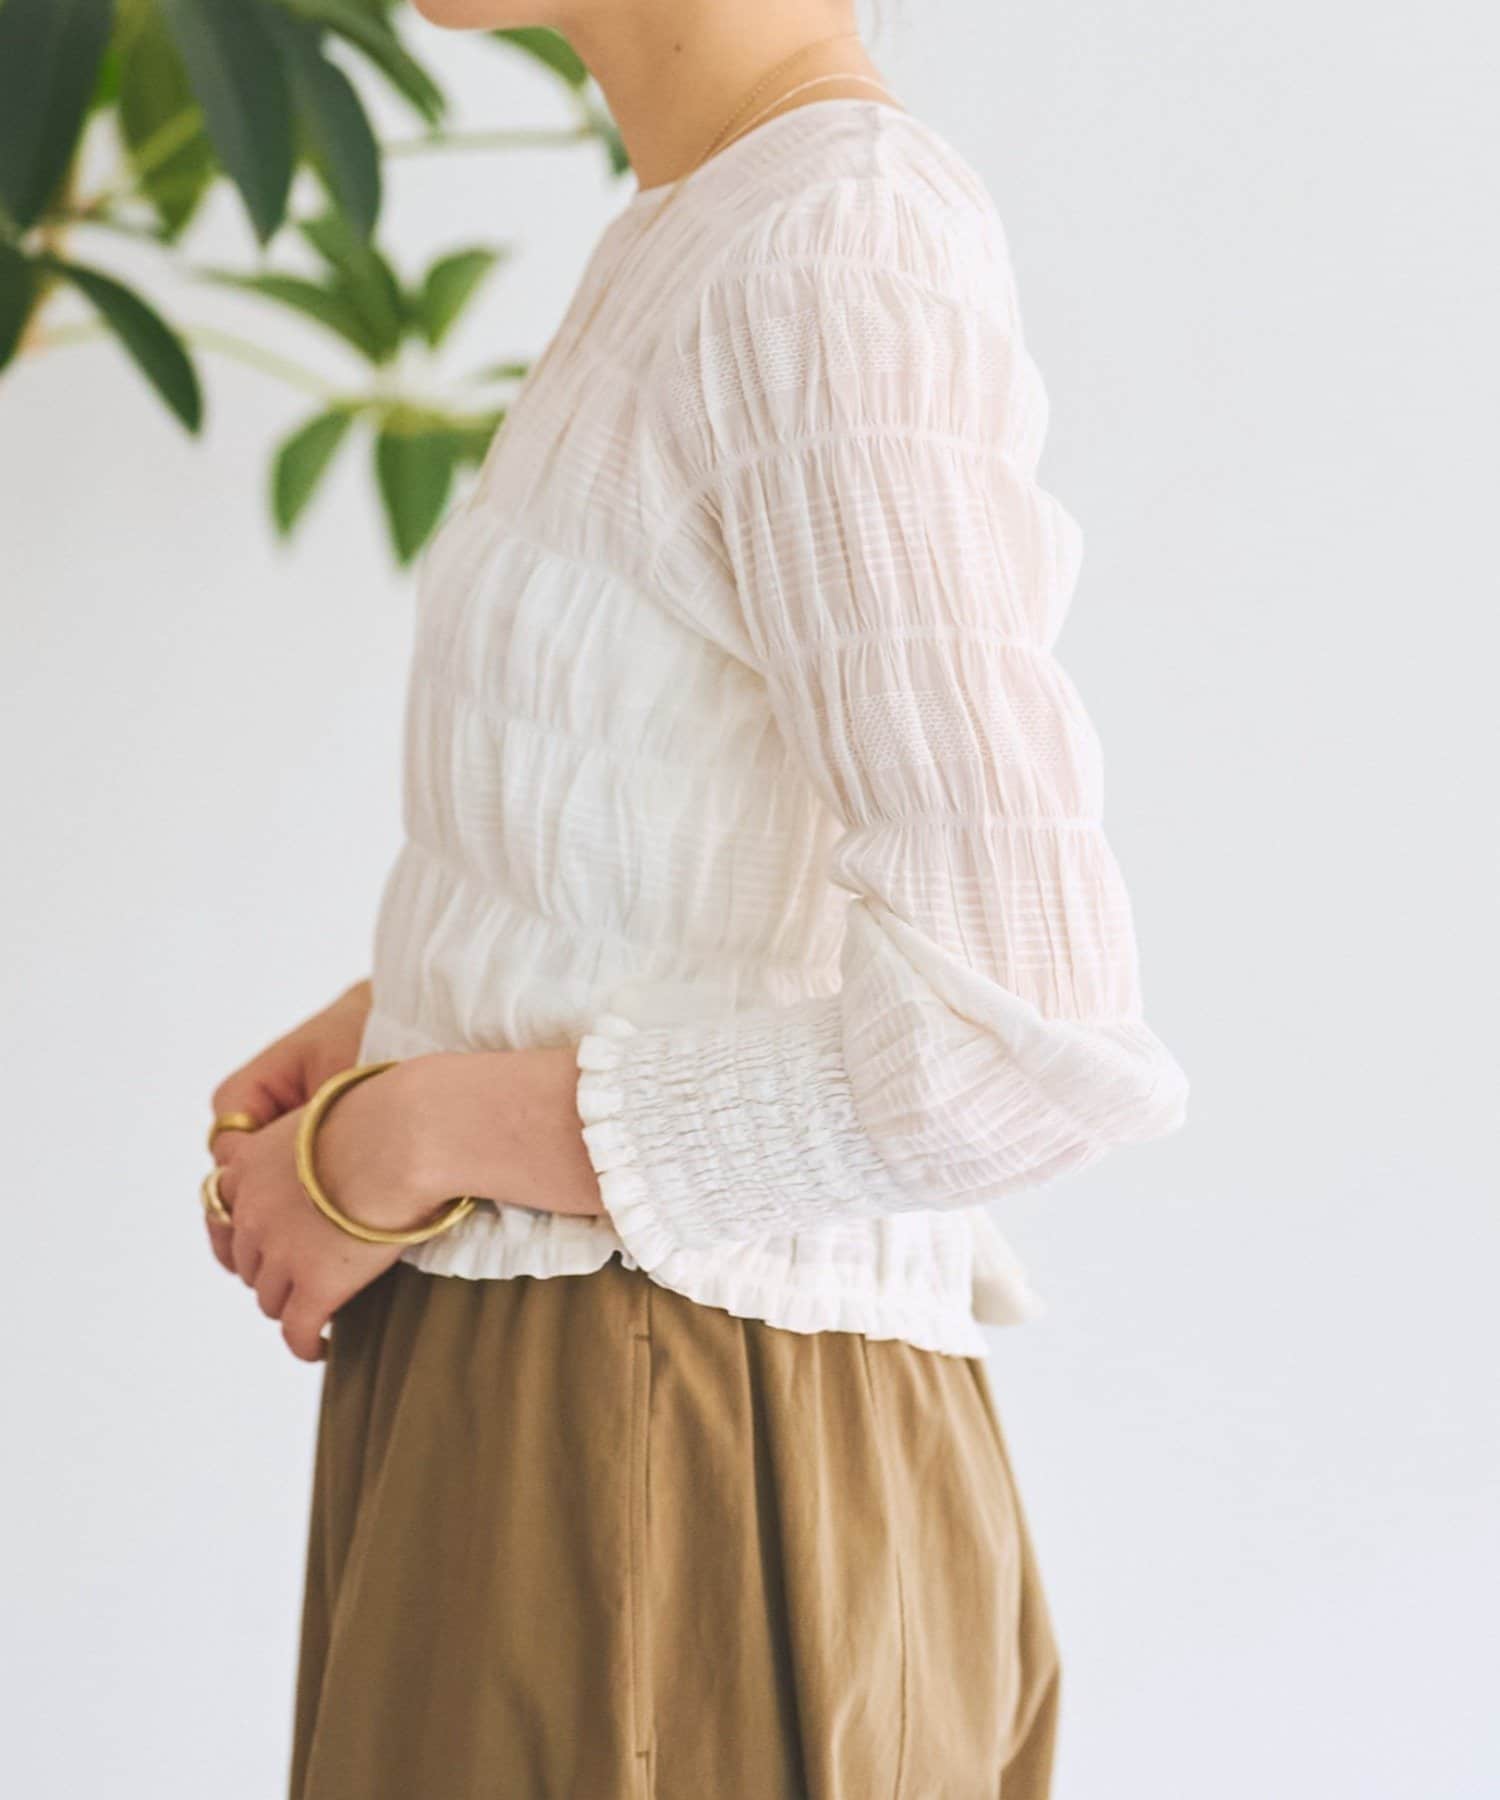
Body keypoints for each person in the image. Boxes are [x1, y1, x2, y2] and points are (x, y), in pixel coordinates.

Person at [201, 4, 1189, 1794]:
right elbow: (711, 827)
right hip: (589, 1415)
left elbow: (1008, 1048)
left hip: (662, 1455)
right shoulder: (716, 220)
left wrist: (418, 1131)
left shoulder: (829, 248)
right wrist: (414, 1011)